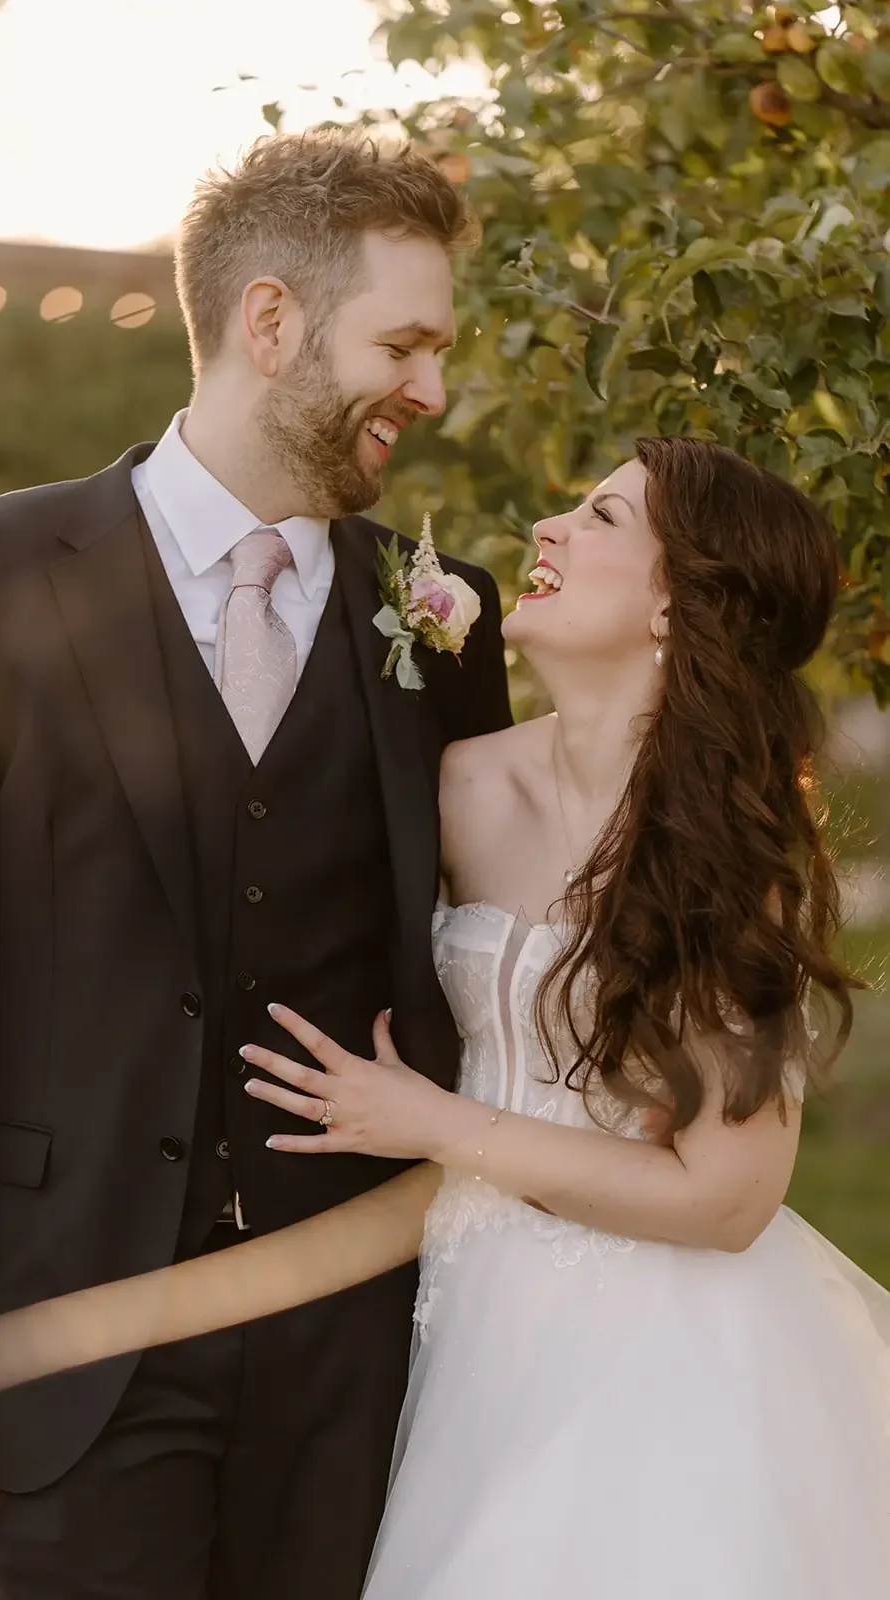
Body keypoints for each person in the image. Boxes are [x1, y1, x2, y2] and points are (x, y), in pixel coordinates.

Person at [0, 131, 512, 1599]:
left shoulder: (438, 615)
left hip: (355, 1339)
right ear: (267, 322)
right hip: (76, 1323)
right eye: (401, 342)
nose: (431, 390)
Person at [240, 437, 890, 1597]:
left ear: (673, 601)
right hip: (447, 1312)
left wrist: (431, 1122)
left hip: (653, 1339)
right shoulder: (454, 783)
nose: (545, 531)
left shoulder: (729, 854)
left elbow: (727, 1196)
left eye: (598, 518)